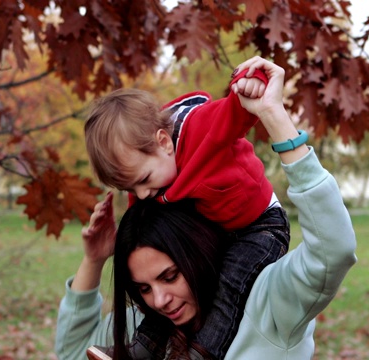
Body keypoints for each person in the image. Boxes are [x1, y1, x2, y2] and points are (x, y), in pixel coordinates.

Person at [55, 56, 358, 359]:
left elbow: (334, 251)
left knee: (230, 285)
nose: (159, 300)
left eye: (170, 276)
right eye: (143, 289)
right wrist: (94, 261)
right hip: (222, 221)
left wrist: (272, 113)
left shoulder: (269, 304)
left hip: (260, 224)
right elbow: (73, 354)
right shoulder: (153, 314)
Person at [83, 58, 291, 359]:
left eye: (142, 180)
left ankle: (201, 353)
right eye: (130, 189)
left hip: (259, 226)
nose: (141, 194)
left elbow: (235, 112)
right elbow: (144, 227)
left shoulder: (200, 128)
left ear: (163, 142)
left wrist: (251, 82)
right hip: (217, 229)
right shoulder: (150, 185)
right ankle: (139, 350)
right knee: (161, 291)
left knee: (229, 286)